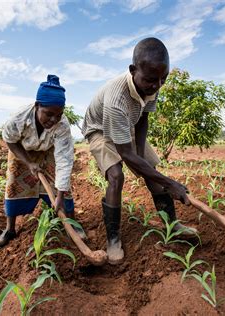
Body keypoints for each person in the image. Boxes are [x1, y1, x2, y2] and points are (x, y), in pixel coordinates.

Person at [81, 37, 197, 264]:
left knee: (150, 169)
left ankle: (172, 225)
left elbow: (143, 118)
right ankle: (113, 239)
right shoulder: (117, 99)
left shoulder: (153, 82)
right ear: (133, 70)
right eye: (152, 80)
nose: (158, 85)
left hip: (128, 126)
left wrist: (142, 152)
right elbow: (125, 154)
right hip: (100, 130)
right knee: (116, 176)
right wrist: (170, 183)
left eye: (163, 78)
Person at [0, 74, 79, 247]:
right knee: (13, 184)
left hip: (49, 151)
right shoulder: (19, 118)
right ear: (37, 105)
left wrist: (60, 195)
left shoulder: (62, 125)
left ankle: (73, 227)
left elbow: (64, 159)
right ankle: (10, 229)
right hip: (21, 150)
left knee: (62, 188)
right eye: (49, 114)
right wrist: (28, 162)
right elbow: (9, 139)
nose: (54, 120)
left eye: (59, 115)